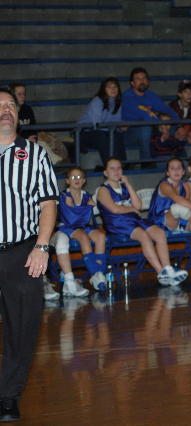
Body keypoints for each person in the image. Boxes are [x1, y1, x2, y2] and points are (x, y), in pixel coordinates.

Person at [0, 87, 59, 422]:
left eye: (11, 104)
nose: (6, 109)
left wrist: (42, 245)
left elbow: (48, 202)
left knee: (22, 327)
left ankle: (8, 395)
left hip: (22, 250)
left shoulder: (34, 154)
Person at [96, 157, 188, 286]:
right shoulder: (103, 190)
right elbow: (114, 209)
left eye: (119, 168)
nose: (116, 171)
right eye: (112, 168)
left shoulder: (124, 186)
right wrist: (131, 209)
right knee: (144, 236)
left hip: (133, 220)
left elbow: (138, 206)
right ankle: (161, 272)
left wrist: (128, 184)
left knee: (159, 233)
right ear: (105, 172)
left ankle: (168, 268)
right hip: (117, 223)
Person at [50, 167, 108, 296]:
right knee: (84, 237)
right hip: (67, 226)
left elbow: (87, 218)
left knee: (100, 236)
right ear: (67, 180)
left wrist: (82, 208)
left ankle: (99, 272)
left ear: (84, 180)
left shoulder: (86, 195)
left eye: (79, 177)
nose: (77, 179)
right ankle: (95, 273)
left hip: (83, 225)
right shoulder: (63, 196)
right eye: (73, 177)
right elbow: (70, 219)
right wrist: (83, 208)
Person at [122, 67, 178, 161]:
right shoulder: (127, 96)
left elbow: (168, 110)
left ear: (148, 81)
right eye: (138, 79)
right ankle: (146, 162)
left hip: (152, 128)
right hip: (129, 134)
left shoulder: (151, 95)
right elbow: (144, 116)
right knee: (146, 126)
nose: (142, 81)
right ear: (132, 83)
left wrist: (178, 126)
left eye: (144, 78)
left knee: (174, 128)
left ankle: (176, 159)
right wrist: (161, 125)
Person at [77, 77, 126, 168]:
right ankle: (109, 166)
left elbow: (116, 122)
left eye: (115, 87)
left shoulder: (118, 102)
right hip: (85, 133)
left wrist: (120, 128)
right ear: (103, 89)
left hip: (105, 131)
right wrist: (112, 129)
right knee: (102, 136)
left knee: (116, 135)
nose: (113, 89)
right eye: (109, 87)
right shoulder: (97, 101)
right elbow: (97, 124)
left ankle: (122, 164)